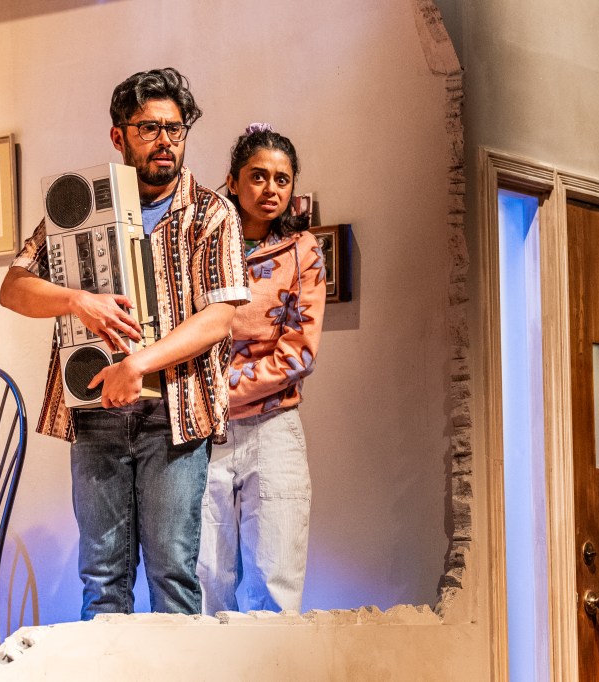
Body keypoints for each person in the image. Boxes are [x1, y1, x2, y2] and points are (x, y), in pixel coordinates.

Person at [0, 68, 250, 618]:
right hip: (96, 414)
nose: (165, 141)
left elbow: (220, 317)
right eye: (149, 128)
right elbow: (13, 288)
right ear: (119, 136)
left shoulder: (211, 212)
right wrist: (76, 300)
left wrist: (138, 364)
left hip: (175, 418)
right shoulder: (81, 207)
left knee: (172, 576)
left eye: (175, 129)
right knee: (102, 583)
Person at [197, 124, 326, 613]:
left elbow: (299, 352)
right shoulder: (202, 244)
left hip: (274, 427)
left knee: (276, 581)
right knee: (206, 580)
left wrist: (217, 391)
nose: (270, 189)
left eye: (282, 179)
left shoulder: (302, 250)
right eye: (258, 176)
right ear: (233, 181)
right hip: (202, 432)